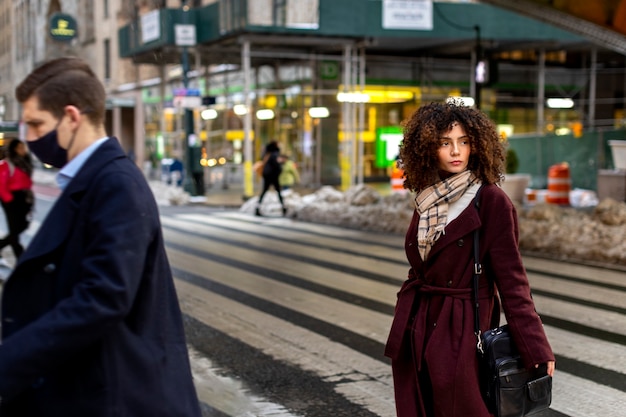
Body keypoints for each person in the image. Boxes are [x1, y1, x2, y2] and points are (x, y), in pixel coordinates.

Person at [0, 57, 202, 416]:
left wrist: (12, 360)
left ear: (72, 117)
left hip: (116, 394)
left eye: (36, 124)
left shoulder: (115, 184)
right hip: (98, 386)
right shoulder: (93, 178)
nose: (29, 138)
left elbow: (103, 297)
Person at [384, 100, 555, 417]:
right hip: (419, 321)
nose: (455, 151)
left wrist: (535, 346)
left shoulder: (490, 201)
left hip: (462, 325)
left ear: (477, 145)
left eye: (464, 141)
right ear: (428, 148)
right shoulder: (428, 195)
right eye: (445, 143)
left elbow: (512, 280)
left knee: (461, 408)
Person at [0, 138, 34, 263]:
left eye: (23, 147)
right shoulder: (6, 164)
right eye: (20, 147)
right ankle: (21, 258)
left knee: (23, 226)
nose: (23, 150)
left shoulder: (24, 163)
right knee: (15, 231)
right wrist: (9, 202)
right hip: (11, 199)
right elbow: (1, 185)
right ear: (14, 149)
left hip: (24, 198)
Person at [256, 140, 287, 216]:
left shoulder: (267, 154)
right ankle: (283, 208)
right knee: (278, 192)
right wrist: (280, 167)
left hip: (267, 175)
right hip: (273, 176)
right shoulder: (274, 154)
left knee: (264, 191)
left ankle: (257, 207)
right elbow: (276, 165)